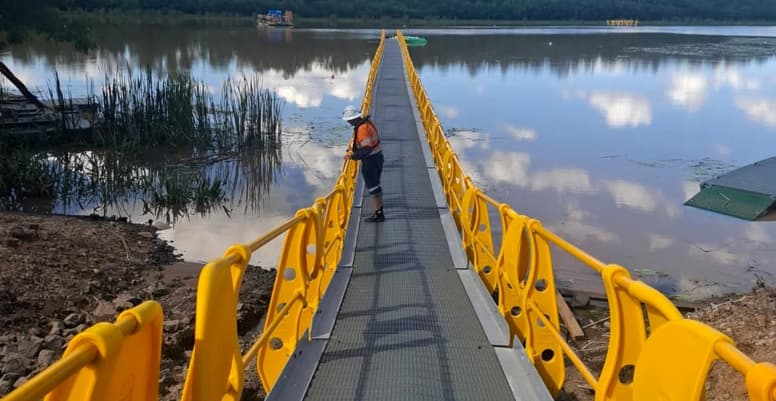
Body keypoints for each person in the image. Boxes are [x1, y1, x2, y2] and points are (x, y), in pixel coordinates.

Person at [342, 105, 385, 222]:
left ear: (354, 119)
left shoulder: (362, 129)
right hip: (378, 157)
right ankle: (379, 210)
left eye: (349, 120)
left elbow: (366, 149)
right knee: (376, 185)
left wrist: (351, 156)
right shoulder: (368, 123)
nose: (349, 123)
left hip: (371, 161)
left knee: (374, 188)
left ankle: (379, 214)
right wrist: (355, 150)